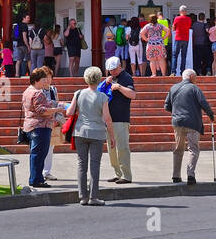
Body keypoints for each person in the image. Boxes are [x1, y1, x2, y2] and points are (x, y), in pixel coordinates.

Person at [66, 66, 115, 205]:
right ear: (99, 79)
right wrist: (112, 136)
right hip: (97, 133)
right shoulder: (103, 97)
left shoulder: (78, 93)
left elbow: (69, 112)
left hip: (80, 131)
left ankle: (83, 196)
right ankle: (93, 197)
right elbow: (107, 118)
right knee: (95, 165)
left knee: (81, 164)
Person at [164, 69, 215, 185]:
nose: (196, 80)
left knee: (178, 149)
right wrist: (211, 115)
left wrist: (176, 112)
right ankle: (190, 175)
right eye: (195, 77)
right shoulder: (194, 88)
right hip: (193, 123)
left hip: (177, 122)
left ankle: (176, 176)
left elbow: (166, 106)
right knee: (193, 148)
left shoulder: (173, 88)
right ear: (191, 77)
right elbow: (203, 103)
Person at [22, 67, 67, 189]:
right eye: (43, 80)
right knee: (40, 154)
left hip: (30, 126)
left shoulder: (27, 91)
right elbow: (42, 110)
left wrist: (55, 104)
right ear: (37, 80)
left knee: (35, 154)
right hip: (40, 127)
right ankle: (37, 180)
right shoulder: (38, 93)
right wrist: (58, 109)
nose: (45, 82)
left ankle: (35, 178)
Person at [100, 55, 136, 184]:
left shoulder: (126, 77)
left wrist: (119, 87)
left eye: (114, 70)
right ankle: (117, 173)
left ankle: (126, 175)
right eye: (110, 70)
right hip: (109, 119)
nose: (112, 72)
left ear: (120, 67)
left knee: (122, 147)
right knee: (111, 148)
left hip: (121, 119)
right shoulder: (111, 78)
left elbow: (133, 95)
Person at [171, 5, 193, 74]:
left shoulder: (177, 18)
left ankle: (173, 72)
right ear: (186, 11)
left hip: (178, 38)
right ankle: (182, 71)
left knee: (175, 56)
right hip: (186, 39)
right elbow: (189, 27)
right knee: (184, 56)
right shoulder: (189, 19)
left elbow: (173, 28)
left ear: (180, 11)